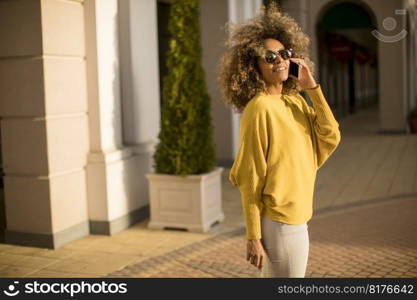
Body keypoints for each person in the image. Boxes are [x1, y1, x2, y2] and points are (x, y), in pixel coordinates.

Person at [217, 3, 341, 277]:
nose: (280, 61)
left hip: (298, 216)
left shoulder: (295, 101)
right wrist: (253, 235)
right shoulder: (259, 108)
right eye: (269, 57)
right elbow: (252, 177)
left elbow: (331, 135)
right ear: (254, 67)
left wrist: (312, 88)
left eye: (284, 54)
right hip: (280, 223)